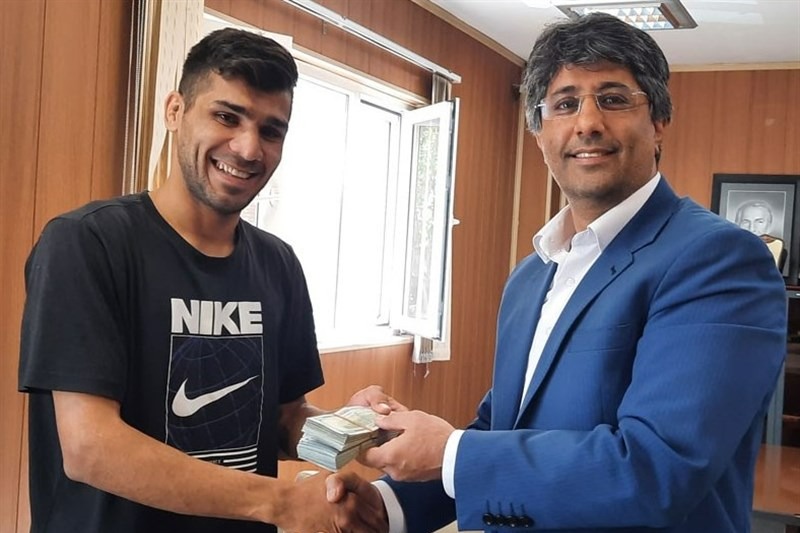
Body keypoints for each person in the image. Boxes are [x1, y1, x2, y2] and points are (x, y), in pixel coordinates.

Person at [328, 12, 788, 533]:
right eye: (565, 104)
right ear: (539, 131)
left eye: (613, 99)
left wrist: (451, 451)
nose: (587, 123)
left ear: (658, 121)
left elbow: (658, 468)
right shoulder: (529, 276)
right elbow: (502, 429)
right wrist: (390, 506)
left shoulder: (719, 260)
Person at [18, 27, 395, 533]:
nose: (248, 148)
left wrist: (356, 432)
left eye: (271, 131)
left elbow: (282, 419)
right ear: (175, 111)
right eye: (226, 116)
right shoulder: (87, 243)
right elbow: (90, 446)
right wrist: (282, 503)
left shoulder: (278, 263)